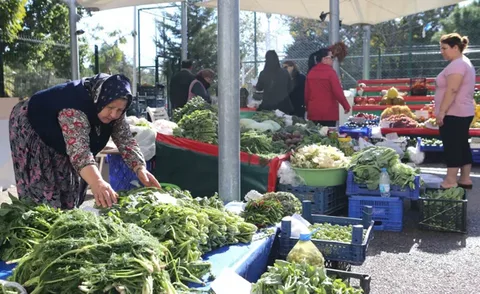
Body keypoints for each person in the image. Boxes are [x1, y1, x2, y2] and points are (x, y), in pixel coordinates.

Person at [9, 73, 161, 210]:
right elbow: (80, 152)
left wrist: (140, 168)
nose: (114, 114)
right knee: (44, 192)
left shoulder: (114, 100)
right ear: (100, 100)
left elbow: (125, 139)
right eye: (110, 108)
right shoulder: (75, 107)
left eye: (120, 110)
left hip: (66, 133)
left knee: (70, 188)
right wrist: (97, 182)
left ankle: (67, 214)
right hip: (34, 123)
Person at [434, 33, 476, 190]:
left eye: (444, 48)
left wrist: (442, 111)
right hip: (462, 112)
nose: (441, 51)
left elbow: (452, 90)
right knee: (461, 144)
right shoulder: (463, 62)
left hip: (454, 112)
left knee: (452, 146)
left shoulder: (457, 65)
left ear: (455, 47)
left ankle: (450, 180)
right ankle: (465, 178)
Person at [305, 48, 351, 127]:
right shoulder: (330, 73)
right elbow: (338, 92)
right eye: (331, 57)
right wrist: (345, 105)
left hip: (314, 112)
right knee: (329, 135)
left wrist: (307, 107)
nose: (333, 60)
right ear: (325, 59)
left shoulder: (311, 72)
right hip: (328, 112)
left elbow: (307, 94)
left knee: (315, 135)